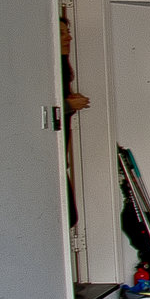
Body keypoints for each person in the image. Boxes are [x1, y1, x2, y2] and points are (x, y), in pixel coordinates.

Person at [61, 16, 89, 226]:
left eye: (67, 33)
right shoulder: (44, 71)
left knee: (69, 218)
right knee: (68, 218)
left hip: (61, 160)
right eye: (62, 33)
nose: (68, 38)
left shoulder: (62, 70)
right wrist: (69, 105)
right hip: (51, 161)